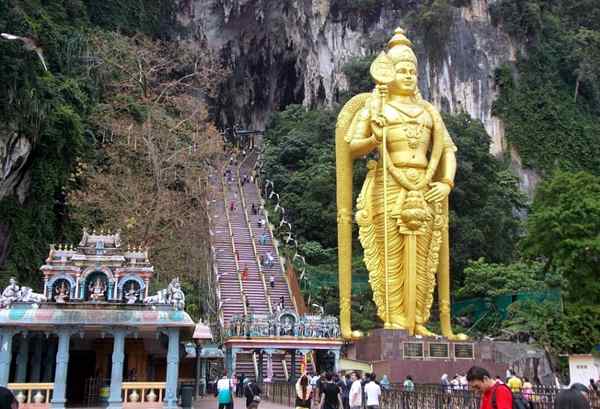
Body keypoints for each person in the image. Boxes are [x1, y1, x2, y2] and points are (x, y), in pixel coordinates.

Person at [335, 27, 465, 339]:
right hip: (386, 184)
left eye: (411, 70)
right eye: (401, 70)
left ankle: (420, 319)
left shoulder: (428, 111)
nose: (407, 75)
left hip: (424, 185)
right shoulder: (375, 107)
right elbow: (349, 146)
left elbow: (447, 150)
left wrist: (445, 182)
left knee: (424, 257)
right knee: (389, 254)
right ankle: (393, 319)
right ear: (387, 74)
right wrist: (373, 138)